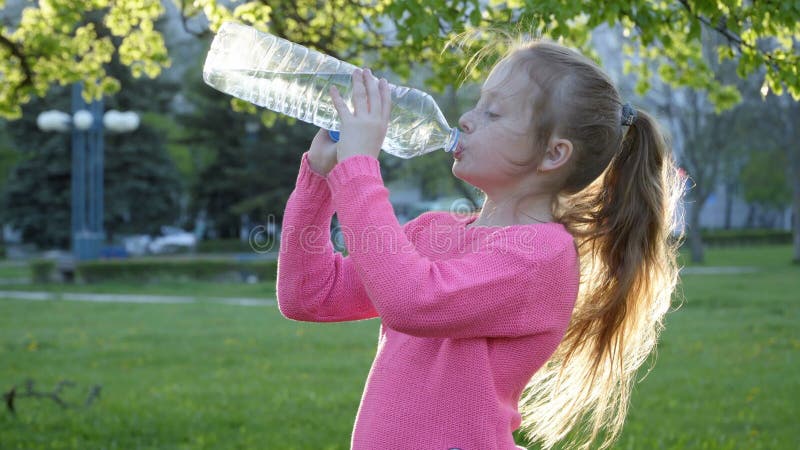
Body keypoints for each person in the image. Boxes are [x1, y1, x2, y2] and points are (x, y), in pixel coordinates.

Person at [276, 38, 684, 450]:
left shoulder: (541, 258)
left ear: (553, 153)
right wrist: (318, 179)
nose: (467, 119)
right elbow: (310, 295)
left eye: (492, 112)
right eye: (476, 104)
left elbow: (411, 300)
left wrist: (359, 168)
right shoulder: (432, 232)